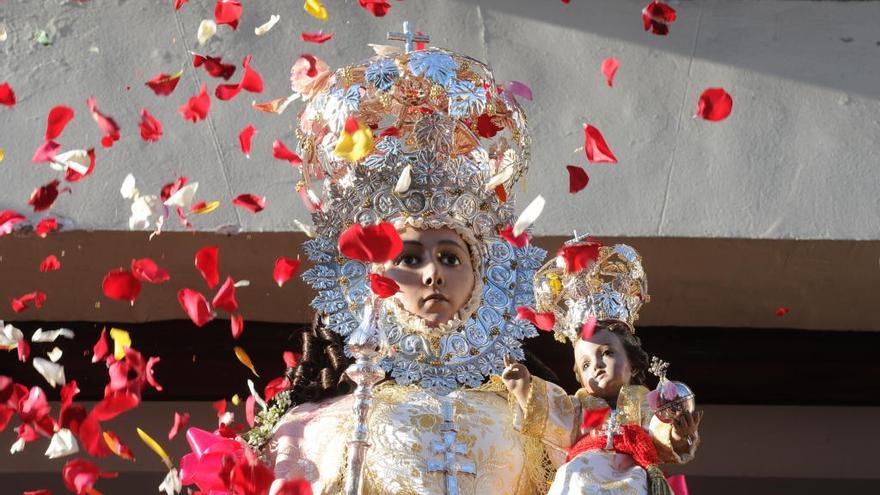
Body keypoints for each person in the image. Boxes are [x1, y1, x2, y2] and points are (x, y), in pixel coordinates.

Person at [255, 32, 557, 495]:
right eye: (410, 258)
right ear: (370, 275)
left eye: (450, 257)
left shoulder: (532, 420)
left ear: (485, 275)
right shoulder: (320, 427)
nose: (432, 274)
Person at [502, 241, 702, 495]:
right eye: (585, 364)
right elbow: (554, 416)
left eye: (606, 353)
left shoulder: (644, 402)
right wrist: (523, 387)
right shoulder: (578, 407)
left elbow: (658, 432)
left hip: (632, 475)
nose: (596, 366)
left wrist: (676, 433)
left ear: (632, 363)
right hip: (581, 476)